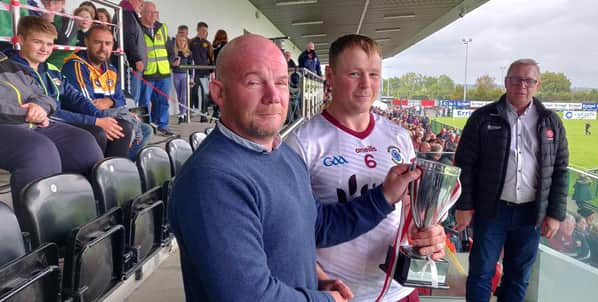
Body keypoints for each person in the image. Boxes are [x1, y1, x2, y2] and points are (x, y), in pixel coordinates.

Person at [169, 34, 444, 302]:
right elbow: (246, 295)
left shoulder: (280, 155)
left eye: (280, 82)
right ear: (218, 92)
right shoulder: (212, 180)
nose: (272, 96)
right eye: (253, 82)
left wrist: (318, 277)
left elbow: (317, 226)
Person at [286, 34, 445, 302]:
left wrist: (431, 233)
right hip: (341, 295)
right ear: (330, 74)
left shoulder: (398, 137)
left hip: (400, 292)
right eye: (354, 73)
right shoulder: (303, 142)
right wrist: (319, 279)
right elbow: (292, 233)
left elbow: (411, 209)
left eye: (373, 74)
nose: (366, 85)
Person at [453, 58, 569, 302]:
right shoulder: (482, 118)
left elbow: (559, 169)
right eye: (516, 79)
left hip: (531, 215)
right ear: (506, 82)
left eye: (529, 80)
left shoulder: (551, 122)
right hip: (491, 212)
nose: (522, 85)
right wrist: (463, 205)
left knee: (518, 278)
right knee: (481, 274)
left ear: (537, 84)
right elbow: (465, 165)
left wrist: (555, 214)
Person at [10, 16, 133, 158]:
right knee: (97, 132)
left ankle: (112, 175)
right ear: (21, 39)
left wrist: (100, 117)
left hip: (59, 121)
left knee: (122, 127)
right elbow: (47, 112)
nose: (44, 49)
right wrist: (96, 121)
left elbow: (76, 98)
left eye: (49, 44)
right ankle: (90, 176)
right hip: (37, 127)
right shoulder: (12, 71)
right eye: (37, 42)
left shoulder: (51, 69)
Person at [0, 50, 103, 204]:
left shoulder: (8, 64)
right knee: (38, 151)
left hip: (32, 122)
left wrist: (41, 107)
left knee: (83, 143)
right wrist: (31, 113)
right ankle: (40, 224)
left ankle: (89, 214)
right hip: (9, 124)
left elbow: (44, 97)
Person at [62, 24, 153, 160]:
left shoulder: (111, 69)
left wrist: (110, 101)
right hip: (83, 119)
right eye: (98, 42)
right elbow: (88, 106)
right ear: (87, 42)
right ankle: (110, 171)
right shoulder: (75, 65)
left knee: (146, 130)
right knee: (124, 126)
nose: (103, 48)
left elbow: (120, 99)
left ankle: (120, 165)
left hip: (105, 114)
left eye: (108, 43)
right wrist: (121, 113)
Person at [138, 1, 173, 135]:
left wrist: (171, 61)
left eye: (155, 12)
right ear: (142, 13)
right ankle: (147, 128)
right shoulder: (138, 27)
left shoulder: (162, 27)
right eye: (150, 12)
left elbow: (169, 48)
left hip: (164, 72)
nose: (154, 15)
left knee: (163, 101)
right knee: (144, 102)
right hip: (147, 72)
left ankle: (163, 125)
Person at [117, 0, 146, 103]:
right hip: (131, 66)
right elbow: (128, 38)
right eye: (139, 1)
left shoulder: (128, 13)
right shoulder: (126, 13)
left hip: (132, 65)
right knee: (132, 101)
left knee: (134, 99)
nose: (142, 4)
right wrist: (137, 59)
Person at [189, 22, 214, 122]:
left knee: (205, 95)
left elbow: (211, 58)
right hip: (194, 73)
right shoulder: (191, 42)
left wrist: (212, 71)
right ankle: (189, 113)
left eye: (206, 31)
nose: (205, 33)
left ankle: (203, 115)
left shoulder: (208, 44)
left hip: (205, 73)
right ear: (198, 30)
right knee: (192, 94)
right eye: (203, 31)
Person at [170, 34, 194, 124]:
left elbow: (192, 66)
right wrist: (173, 64)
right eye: (180, 40)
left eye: (183, 41)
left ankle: (182, 114)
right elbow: (170, 64)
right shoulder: (174, 52)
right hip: (176, 75)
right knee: (179, 96)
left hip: (185, 75)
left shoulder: (188, 53)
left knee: (183, 96)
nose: (181, 42)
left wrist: (192, 78)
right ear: (176, 41)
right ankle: (182, 113)